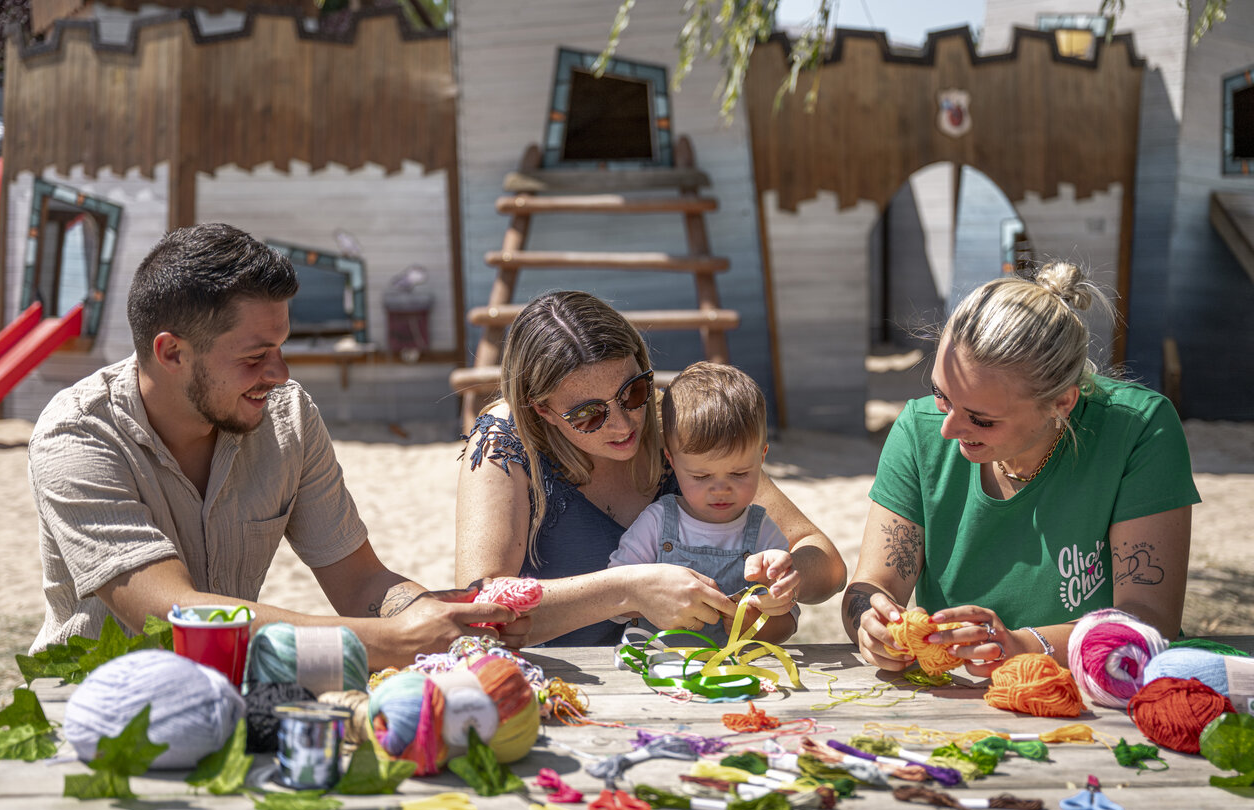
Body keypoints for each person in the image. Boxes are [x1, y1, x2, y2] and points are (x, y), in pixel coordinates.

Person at [29, 223, 526, 666]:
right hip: (88, 702)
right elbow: (171, 616)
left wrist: (432, 617)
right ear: (172, 352)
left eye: (283, 347)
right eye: (255, 356)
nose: (280, 373)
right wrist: (390, 639)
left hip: (229, 692)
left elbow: (359, 582)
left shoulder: (288, 417)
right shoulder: (76, 435)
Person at [842, 261, 1199, 675]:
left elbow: (1151, 618)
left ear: (1062, 403)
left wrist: (1023, 646)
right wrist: (870, 623)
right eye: (941, 395)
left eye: (981, 419)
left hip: (1099, 689)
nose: (947, 429)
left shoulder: (1137, 428)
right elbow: (874, 584)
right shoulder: (918, 429)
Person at [456, 290, 846, 646]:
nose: (624, 424)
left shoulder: (675, 426)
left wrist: (786, 579)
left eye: (634, 392)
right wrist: (627, 590)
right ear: (541, 409)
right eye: (589, 414)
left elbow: (825, 562)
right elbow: (479, 608)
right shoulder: (506, 441)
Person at [606, 362, 800, 645]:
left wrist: (762, 615)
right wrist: (649, 597)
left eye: (739, 473)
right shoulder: (659, 522)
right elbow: (615, 596)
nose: (720, 489)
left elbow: (787, 625)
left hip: (729, 675)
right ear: (671, 461)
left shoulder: (763, 533)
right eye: (701, 476)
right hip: (655, 671)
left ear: (762, 458)